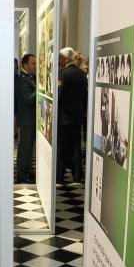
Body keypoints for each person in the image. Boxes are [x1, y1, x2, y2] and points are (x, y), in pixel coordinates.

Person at [57, 47, 88, 182]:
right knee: (76, 146)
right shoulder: (81, 74)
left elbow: (59, 96)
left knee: (62, 147)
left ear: (65, 59)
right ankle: (77, 176)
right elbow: (85, 96)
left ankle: (59, 175)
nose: (59, 62)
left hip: (64, 117)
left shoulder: (63, 74)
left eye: (60, 59)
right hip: (77, 117)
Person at [15, 53, 37, 183]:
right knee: (25, 149)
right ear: (25, 65)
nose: (35, 66)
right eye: (33, 63)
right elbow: (29, 99)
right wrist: (40, 86)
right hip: (27, 120)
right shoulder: (23, 79)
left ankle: (26, 171)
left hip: (30, 119)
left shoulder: (28, 77)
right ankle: (22, 175)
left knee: (28, 149)